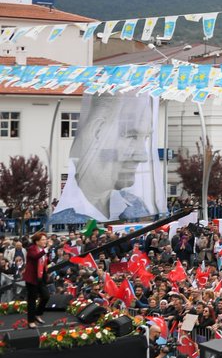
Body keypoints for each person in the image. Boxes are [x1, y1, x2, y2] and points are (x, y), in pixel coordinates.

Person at [51, 94, 161, 222]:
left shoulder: (137, 207)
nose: (143, 156)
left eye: (146, 137)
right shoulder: (67, 213)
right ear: (98, 131)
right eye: (131, 136)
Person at [22, 231, 49, 327]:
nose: (45, 241)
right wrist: (46, 250)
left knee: (46, 296)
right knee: (32, 300)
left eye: (45, 239)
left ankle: (37, 314)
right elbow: (35, 257)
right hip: (32, 278)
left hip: (41, 278)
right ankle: (31, 321)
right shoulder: (31, 249)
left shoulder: (44, 250)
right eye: (43, 240)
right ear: (37, 241)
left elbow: (45, 262)